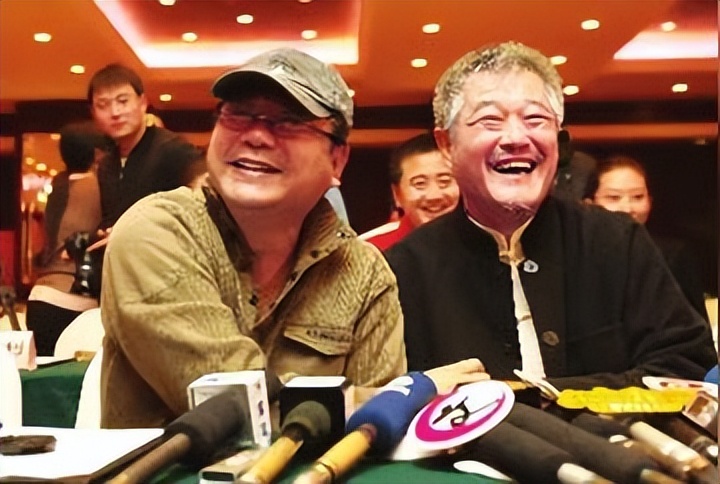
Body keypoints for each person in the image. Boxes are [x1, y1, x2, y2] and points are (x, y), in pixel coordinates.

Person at [100, 49, 419, 428]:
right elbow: (235, 406)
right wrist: (406, 395)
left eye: (289, 122)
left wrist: (382, 407)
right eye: (238, 115)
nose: (255, 135)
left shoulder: (362, 272)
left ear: (337, 160)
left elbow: (372, 436)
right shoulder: (156, 233)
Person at [386, 41, 716, 392]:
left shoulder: (616, 242)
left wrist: (545, 397)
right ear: (447, 145)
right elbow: (391, 396)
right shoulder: (404, 270)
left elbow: (686, 367)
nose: (516, 137)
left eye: (535, 119)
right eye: (490, 120)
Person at [584, 154, 709, 321]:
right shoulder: (577, 254)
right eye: (613, 197)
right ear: (589, 204)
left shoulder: (673, 255)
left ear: (650, 201)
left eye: (638, 197)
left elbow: (695, 324)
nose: (627, 208)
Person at [87, 63, 204, 229]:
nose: (115, 112)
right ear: (93, 113)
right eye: (103, 105)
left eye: (123, 101)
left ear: (143, 103)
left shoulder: (172, 150)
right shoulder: (107, 164)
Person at [26, 122, 109, 355]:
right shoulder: (96, 186)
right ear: (97, 154)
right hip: (72, 297)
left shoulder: (60, 184)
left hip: (40, 296)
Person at [360, 132, 459, 250]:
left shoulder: (479, 242)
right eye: (420, 183)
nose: (434, 195)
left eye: (444, 181)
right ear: (397, 195)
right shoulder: (368, 250)